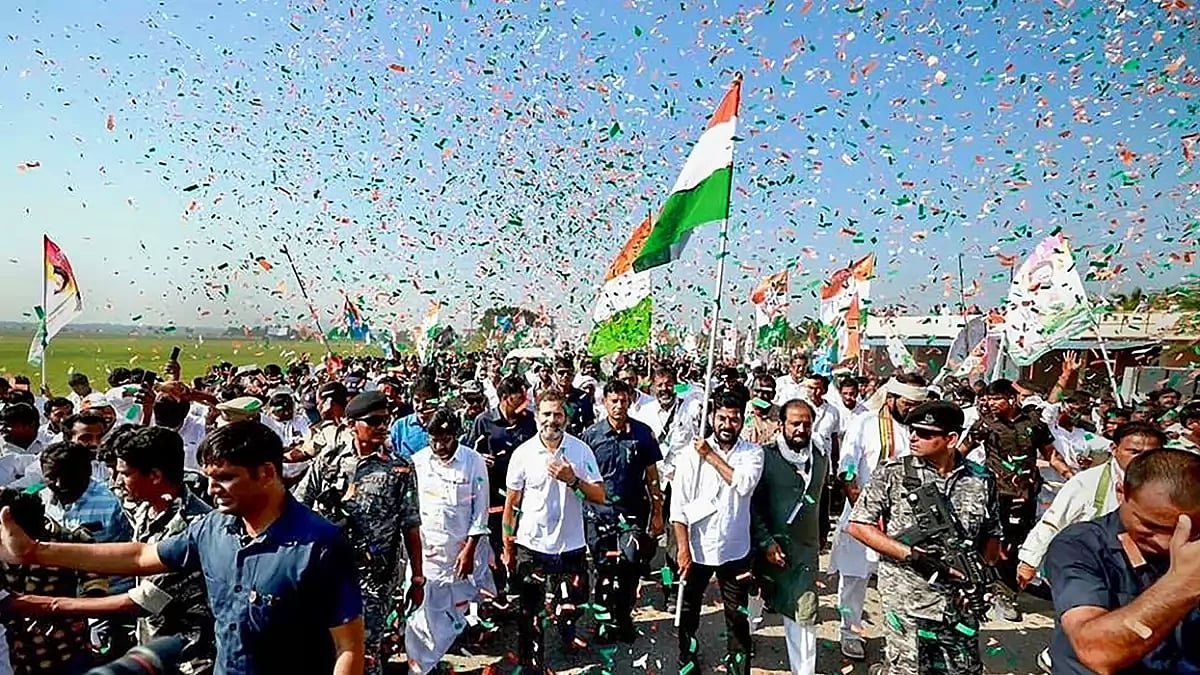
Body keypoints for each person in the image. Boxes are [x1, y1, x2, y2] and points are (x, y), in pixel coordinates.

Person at [0, 420, 366, 675]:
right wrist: (35, 551)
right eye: (209, 479)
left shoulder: (319, 544)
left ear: (267, 473)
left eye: (225, 478)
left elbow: (348, 648)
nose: (212, 490)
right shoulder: (213, 529)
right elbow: (140, 555)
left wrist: (48, 604)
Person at [4, 427, 216, 673]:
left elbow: (143, 600)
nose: (116, 480)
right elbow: (133, 555)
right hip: (150, 643)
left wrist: (46, 605)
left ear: (155, 475)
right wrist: (35, 550)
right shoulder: (146, 509)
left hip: (188, 658)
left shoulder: (190, 525)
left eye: (124, 473)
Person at [846, 401, 1001, 674]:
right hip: (907, 597)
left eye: (926, 433)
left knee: (964, 670)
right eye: (912, 430)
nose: (914, 437)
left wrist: (981, 579)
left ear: (951, 439)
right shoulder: (893, 472)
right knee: (909, 669)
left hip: (959, 599)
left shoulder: (981, 479)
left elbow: (991, 535)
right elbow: (859, 525)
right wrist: (913, 556)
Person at [1015, 421, 1166, 672]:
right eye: (1134, 452)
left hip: (1144, 569)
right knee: (1082, 617)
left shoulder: (1170, 485)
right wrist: (1029, 560)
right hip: (1088, 562)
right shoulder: (1086, 482)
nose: (1143, 459)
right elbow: (1054, 520)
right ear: (1114, 449)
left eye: (1151, 453)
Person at [295, 391, 423, 675]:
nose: (382, 427)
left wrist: (417, 577)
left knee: (366, 651)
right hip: (329, 572)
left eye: (385, 420)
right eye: (374, 421)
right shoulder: (329, 460)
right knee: (327, 646)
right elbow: (298, 506)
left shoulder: (400, 466)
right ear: (351, 425)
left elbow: (410, 525)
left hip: (375, 578)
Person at [1046, 448, 1200, 672]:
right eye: (1150, 526)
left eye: (1186, 531)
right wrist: (1181, 585)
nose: (1166, 543)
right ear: (1121, 493)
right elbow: (1096, 651)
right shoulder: (1079, 545)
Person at [501, 389, 605, 671]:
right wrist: (507, 547)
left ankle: (567, 635)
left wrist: (573, 480)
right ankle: (532, 664)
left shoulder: (580, 451)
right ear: (536, 417)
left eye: (558, 414)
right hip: (531, 546)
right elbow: (511, 504)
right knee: (530, 614)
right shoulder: (522, 454)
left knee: (572, 605)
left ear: (566, 418)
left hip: (570, 546)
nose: (552, 420)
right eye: (546, 414)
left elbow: (599, 495)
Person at [830, 374, 928, 661]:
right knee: (855, 579)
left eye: (916, 405)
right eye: (908, 404)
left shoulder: (919, 430)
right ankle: (850, 633)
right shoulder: (865, 423)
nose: (911, 410)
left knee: (903, 582)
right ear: (892, 398)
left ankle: (901, 638)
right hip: (864, 515)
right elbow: (847, 470)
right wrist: (865, 512)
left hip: (905, 520)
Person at [671, 389, 764, 675]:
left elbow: (743, 484)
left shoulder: (753, 453)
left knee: (737, 617)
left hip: (735, 550)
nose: (727, 425)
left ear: (741, 420)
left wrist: (709, 456)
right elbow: (679, 507)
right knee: (687, 613)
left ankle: (739, 668)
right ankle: (687, 659)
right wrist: (683, 550)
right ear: (712, 417)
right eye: (721, 418)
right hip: (697, 550)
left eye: (733, 419)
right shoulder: (689, 455)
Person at [405, 410, 493, 674]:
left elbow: (481, 510)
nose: (441, 446)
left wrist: (469, 550)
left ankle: (437, 655)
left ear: (456, 436)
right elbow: (410, 511)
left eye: (446, 439)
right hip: (425, 554)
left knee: (452, 613)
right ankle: (421, 667)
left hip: (459, 555)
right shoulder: (417, 463)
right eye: (435, 439)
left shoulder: (472, 461)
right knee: (420, 616)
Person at [963, 379, 1055, 622]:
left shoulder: (1033, 422)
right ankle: (987, 593)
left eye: (996, 399)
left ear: (1012, 399)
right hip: (994, 495)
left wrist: (1071, 476)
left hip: (1025, 496)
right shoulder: (985, 424)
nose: (991, 403)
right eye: (988, 399)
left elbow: (1050, 453)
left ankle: (1007, 592)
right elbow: (962, 450)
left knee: (1016, 545)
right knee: (990, 543)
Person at [580, 379, 664, 643]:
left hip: (632, 514)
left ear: (630, 401)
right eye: (613, 401)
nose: (618, 406)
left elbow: (652, 476)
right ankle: (604, 621)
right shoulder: (591, 436)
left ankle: (624, 617)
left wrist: (658, 510)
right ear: (605, 403)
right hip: (599, 515)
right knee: (603, 569)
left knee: (629, 566)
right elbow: (581, 478)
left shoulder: (642, 433)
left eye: (623, 401)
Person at [751, 400, 828, 675]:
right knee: (757, 599)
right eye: (795, 423)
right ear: (782, 424)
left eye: (806, 423)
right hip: (766, 548)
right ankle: (747, 637)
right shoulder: (765, 456)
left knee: (804, 612)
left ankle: (803, 671)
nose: (801, 429)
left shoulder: (820, 456)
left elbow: (822, 498)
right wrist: (765, 542)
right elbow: (753, 506)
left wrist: (821, 536)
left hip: (804, 551)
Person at [0, 487, 108, 675]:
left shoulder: (70, 540)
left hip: (68, 648)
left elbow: (96, 584)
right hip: (20, 654)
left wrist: (76, 612)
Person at [466, 374, 537, 598]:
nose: (524, 403)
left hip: (525, 494)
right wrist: (479, 458)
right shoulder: (484, 421)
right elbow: (467, 453)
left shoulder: (529, 421)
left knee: (522, 540)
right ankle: (499, 589)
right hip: (495, 495)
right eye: (519, 399)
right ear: (505, 398)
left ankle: (521, 581)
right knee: (497, 542)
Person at [389, 378, 439, 460]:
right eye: (417, 401)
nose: (421, 407)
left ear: (436, 402)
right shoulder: (400, 427)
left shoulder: (446, 425)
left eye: (427, 402)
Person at [552, 356, 596, 436]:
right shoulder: (548, 396)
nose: (565, 376)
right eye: (561, 373)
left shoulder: (583, 396)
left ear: (573, 375)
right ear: (554, 374)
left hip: (576, 438)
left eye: (569, 373)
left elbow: (589, 423)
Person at [743, 373, 780, 445]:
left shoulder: (781, 414)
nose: (760, 396)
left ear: (773, 395)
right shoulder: (741, 410)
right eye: (757, 391)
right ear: (750, 391)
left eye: (766, 392)